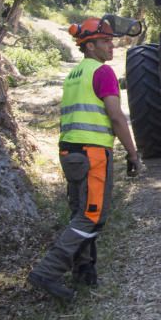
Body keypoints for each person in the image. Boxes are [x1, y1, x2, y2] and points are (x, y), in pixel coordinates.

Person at [28, 16, 143, 301]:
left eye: (110, 41)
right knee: (91, 214)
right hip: (92, 153)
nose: (111, 46)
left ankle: (84, 271)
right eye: (105, 42)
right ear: (89, 46)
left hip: (70, 153)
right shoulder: (102, 73)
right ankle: (48, 271)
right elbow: (116, 117)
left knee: (81, 210)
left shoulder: (74, 75)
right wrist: (132, 152)